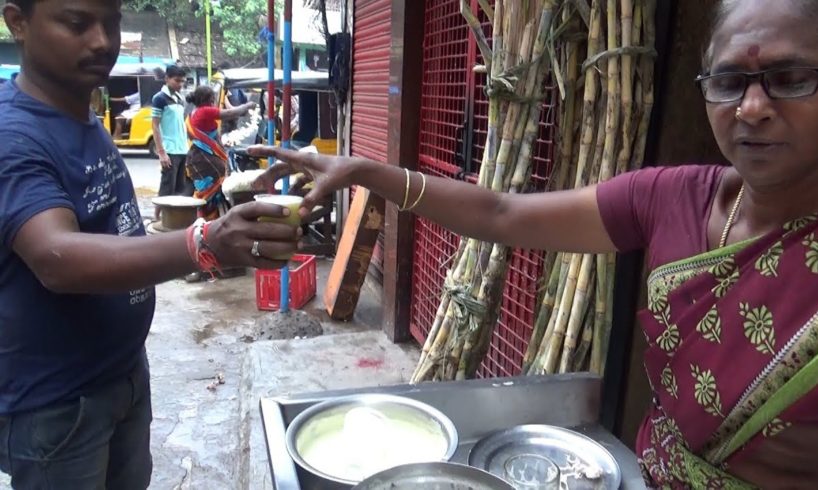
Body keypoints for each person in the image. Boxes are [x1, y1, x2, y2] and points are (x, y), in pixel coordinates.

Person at [250, 0, 818, 486]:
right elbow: (502, 212)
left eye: (790, 78)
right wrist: (365, 171)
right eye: (728, 82)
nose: (752, 107)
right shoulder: (672, 198)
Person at [0, 1, 300, 488]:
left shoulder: (80, 116)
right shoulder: (14, 135)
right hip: (57, 405)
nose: (102, 40)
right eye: (77, 23)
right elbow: (59, 258)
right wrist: (205, 241)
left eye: (112, 22)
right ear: (18, 22)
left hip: (122, 373)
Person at [185, 85, 256, 221]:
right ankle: (207, 221)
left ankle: (209, 219)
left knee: (209, 192)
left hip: (202, 158)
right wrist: (247, 106)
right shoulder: (204, 111)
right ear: (209, 98)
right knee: (209, 192)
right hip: (204, 160)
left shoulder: (195, 112)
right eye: (213, 98)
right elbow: (230, 113)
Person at [151, 64, 192, 213]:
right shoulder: (159, 98)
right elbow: (155, 126)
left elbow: (181, 125)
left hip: (182, 149)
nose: (180, 84)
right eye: (177, 81)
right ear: (167, 79)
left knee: (180, 188)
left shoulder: (180, 98)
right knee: (167, 186)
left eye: (182, 81)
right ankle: (157, 217)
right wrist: (161, 152)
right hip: (169, 150)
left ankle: (172, 219)